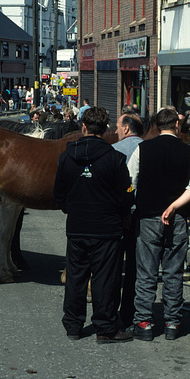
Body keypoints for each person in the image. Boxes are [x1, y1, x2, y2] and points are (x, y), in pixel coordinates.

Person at [53, 107, 134, 344]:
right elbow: (126, 193)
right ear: (106, 128)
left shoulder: (66, 156)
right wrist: (122, 212)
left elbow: (59, 192)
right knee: (105, 279)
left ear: (84, 127)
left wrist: (71, 208)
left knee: (76, 277)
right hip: (107, 227)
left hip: (77, 225)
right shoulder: (115, 158)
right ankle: (105, 327)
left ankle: (73, 325)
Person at [127, 108, 190, 341]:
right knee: (173, 273)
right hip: (178, 217)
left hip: (148, 216)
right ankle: (172, 323)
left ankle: (144, 323)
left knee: (146, 272)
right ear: (177, 126)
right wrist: (174, 207)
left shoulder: (142, 149)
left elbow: (130, 181)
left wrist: (132, 205)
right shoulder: (189, 151)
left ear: (157, 127)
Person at [112, 112, 145, 327]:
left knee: (113, 268)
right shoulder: (149, 149)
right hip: (142, 216)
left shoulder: (114, 151)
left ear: (125, 129)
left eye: (117, 126)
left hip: (118, 216)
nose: (115, 131)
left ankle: (111, 312)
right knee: (135, 268)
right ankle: (130, 312)